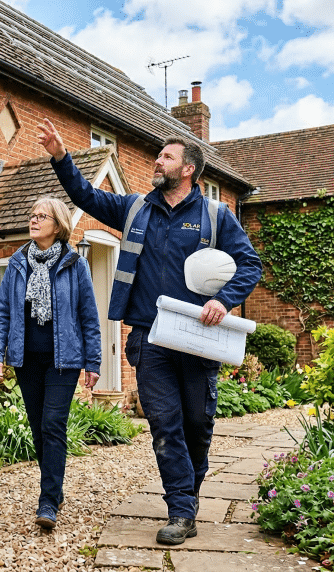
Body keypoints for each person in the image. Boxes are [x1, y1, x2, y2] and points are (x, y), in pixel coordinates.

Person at [38, 118, 262, 545]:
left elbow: (250, 265)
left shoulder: (216, 216)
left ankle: (188, 493)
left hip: (198, 338)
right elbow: (85, 195)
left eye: (166, 156)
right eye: (158, 155)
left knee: (197, 424)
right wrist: (61, 156)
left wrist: (223, 299)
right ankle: (181, 509)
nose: (157, 161)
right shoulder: (135, 208)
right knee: (164, 424)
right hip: (150, 335)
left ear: (188, 169)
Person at [0, 196, 102, 531]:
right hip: (27, 360)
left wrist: (93, 362)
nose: (34, 220)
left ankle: (48, 501)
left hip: (63, 360)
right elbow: (2, 312)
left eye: (42, 216)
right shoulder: (17, 263)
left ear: (58, 224)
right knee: (39, 428)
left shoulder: (74, 264)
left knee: (53, 424)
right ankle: (55, 488)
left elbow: (89, 316)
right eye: (32, 215)